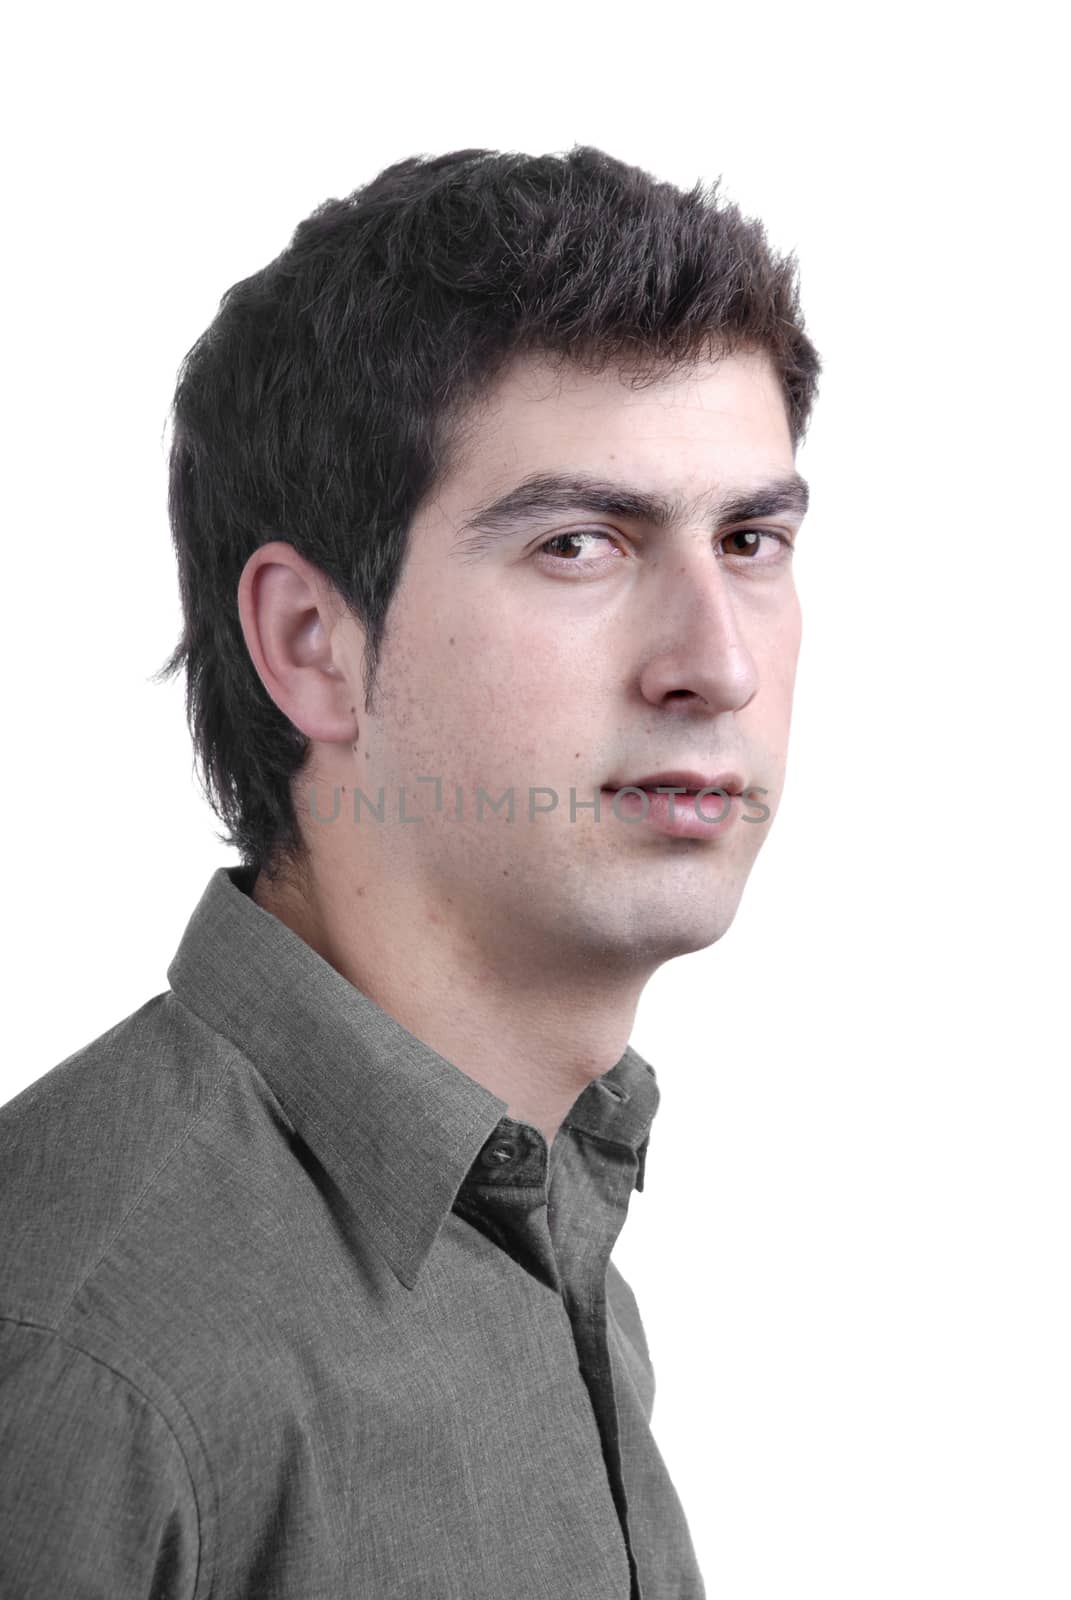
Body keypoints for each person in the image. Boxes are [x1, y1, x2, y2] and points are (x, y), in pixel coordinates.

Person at [0, 145, 821, 1599]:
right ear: (314, 644)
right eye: (582, 543)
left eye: (751, 538)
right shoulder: (85, 1352)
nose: (722, 662)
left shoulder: (550, 1242)